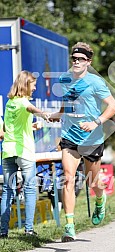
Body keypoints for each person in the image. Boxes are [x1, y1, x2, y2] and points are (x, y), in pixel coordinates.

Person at [50, 42, 115, 242]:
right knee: (68, 178)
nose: (76, 62)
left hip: (92, 138)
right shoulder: (64, 79)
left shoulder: (96, 82)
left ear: (88, 62)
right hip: (70, 136)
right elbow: (67, 102)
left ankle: (100, 198)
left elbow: (113, 106)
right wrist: (58, 114)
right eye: (74, 58)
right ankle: (69, 227)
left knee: (92, 181)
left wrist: (96, 122)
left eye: (81, 59)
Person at [0, 70, 49, 238]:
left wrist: (32, 127)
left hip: (8, 151)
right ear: (26, 85)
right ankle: (28, 230)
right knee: (29, 188)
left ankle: (3, 231)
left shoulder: (10, 103)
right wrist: (44, 115)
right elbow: (30, 108)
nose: (35, 88)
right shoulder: (22, 101)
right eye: (33, 85)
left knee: (7, 190)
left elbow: (7, 128)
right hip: (24, 151)